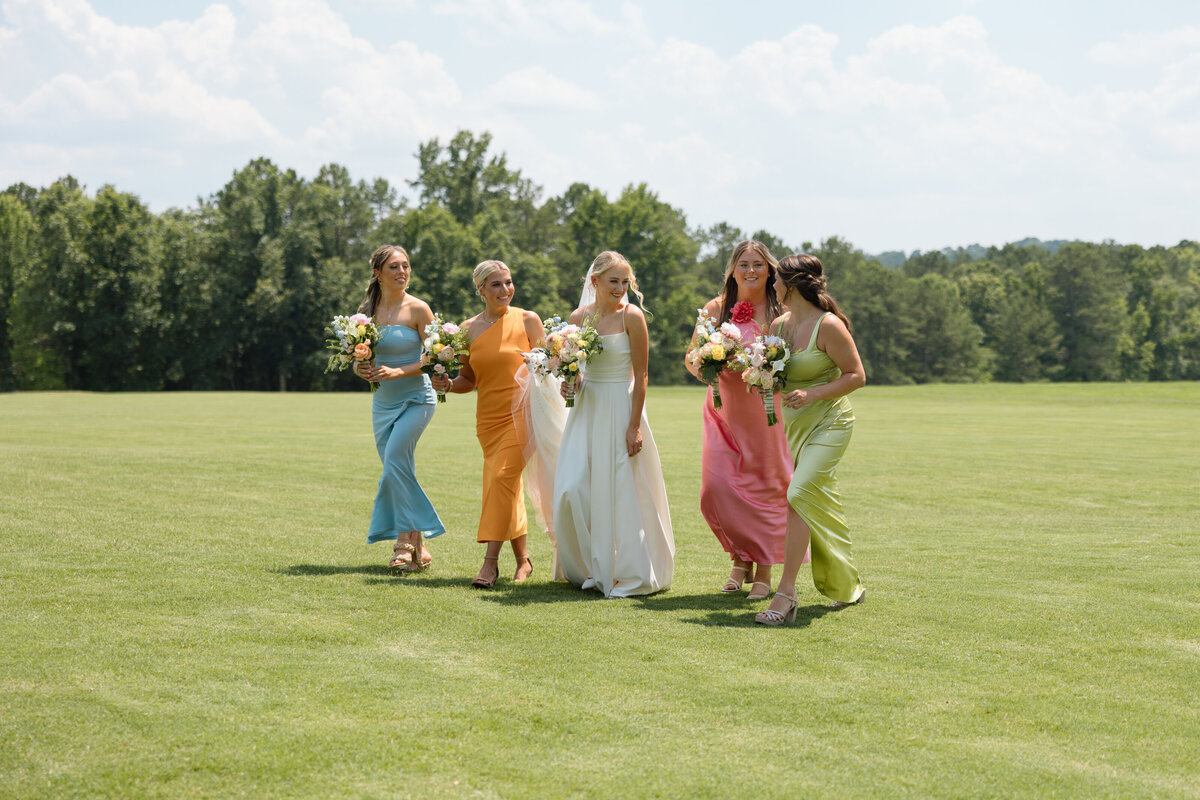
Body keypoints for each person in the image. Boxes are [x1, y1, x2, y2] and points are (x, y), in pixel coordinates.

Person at [553, 251, 674, 597]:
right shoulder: (579, 318)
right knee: (572, 488)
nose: (621, 288)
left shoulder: (632, 317)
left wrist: (634, 426)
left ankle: (628, 570)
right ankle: (586, 567)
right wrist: (569, 383)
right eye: (613, 281)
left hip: (622, 406)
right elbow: (574, 369)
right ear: (595, 282)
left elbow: (642, 374)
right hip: (586, 408)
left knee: (622, 491)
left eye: (625, 282)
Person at [755, 254, 867, 625]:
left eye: (776, 281)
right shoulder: (780, 325)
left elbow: (856, 376)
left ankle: (786, 593)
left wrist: (813, 394)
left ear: (791, 285)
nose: (772, 286)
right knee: (809, 499)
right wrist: (761, 379)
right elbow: (773, 371)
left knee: (798, 494)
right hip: (794, 426)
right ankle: (847, 583)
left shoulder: (829, 325)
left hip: (831, 422)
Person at [686, 240, 794, 600]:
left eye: (758, 265)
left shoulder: (783, 310)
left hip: (766, 414)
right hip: (724, 412)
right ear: (733, 269)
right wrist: (706, 365)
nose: (751, 270)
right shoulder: (716, 309)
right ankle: (739, 557)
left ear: (770, 270)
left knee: (765, 491)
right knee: (716, 490)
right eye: (744, 264)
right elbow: (691, 356)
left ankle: (761, 571)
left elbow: (792, 359)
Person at [433, 261, 548, 588]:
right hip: (488, 421)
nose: (505, 290)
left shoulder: (528, 320)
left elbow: (547, 371)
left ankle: (489, 565)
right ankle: (523, 561)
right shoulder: (467, 330)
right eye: (496, 284)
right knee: (507, 487)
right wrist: (448, 385)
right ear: (481, 289)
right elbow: (469, 378)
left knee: (501, 479)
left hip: (523, 415)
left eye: (508, 283)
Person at [354, 245, 444, 571]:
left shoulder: (419, 309)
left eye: (406, 266)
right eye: (394, 266)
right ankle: (422, 546)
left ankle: (404, 544)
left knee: (395, 461)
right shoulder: (365, 313)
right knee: (398, 469)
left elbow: (435, 356)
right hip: (383, 403)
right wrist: (360, 369)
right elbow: (359, 358)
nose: (402, 272)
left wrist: (399, 371)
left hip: (418, 399)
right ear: (377, 272)